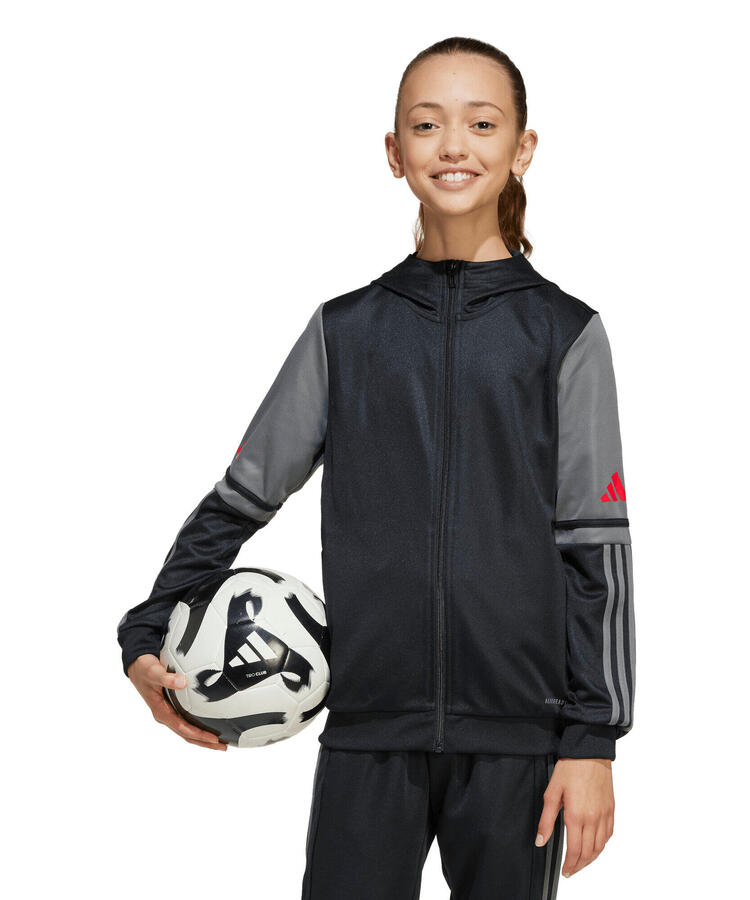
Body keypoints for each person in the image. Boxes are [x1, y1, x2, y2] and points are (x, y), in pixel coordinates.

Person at [117, 36, 635, 900]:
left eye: (482, 123)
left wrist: (593, 740)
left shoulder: (567, 336)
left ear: (523, 149)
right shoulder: (345, 332)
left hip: (518, 740)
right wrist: (145, 631)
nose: (453, 144)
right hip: (367, 732)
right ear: (394, 152)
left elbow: (597, 549)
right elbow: (239, 500)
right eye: (427, 125)